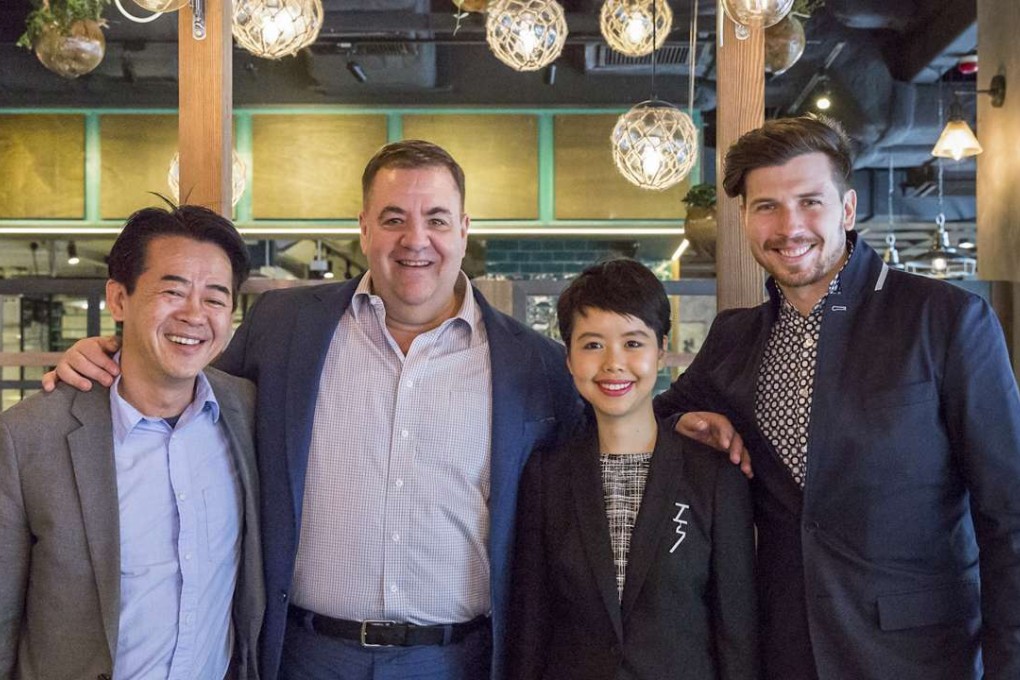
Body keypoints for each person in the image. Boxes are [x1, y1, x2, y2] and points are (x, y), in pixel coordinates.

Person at [44, 140, 584, 680]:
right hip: (305, 654)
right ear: (364, 228)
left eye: (437, 220)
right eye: (393, 218)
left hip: (457, 660)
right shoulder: (284, 326)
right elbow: (188, 387)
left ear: (464, 230)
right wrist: (110, 353)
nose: (415, 239)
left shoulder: (535, 365)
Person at [653, 116, 1020, 680]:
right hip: (783, 651)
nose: (789, 226)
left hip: (921, 656)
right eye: (767, 206)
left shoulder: (945, 320)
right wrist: (683, 419)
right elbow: (655, 415)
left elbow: (1009, 514)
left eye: (809, 202)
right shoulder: (735, 337)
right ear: (745, 218)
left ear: (847, 209)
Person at [0, 204, 263, 679]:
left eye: (215, 298)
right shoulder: (29, 437)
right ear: (119, 299)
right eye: (172, 291)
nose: (194, 314)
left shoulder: (247, 412)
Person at [507, 259, 758, 680]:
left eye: (633, 343)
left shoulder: (713, 476)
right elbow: (532, 625)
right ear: (568, 358)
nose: (613, 363)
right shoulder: (546, 476)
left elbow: (737, 632)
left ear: (661, 350)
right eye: (592, 345)